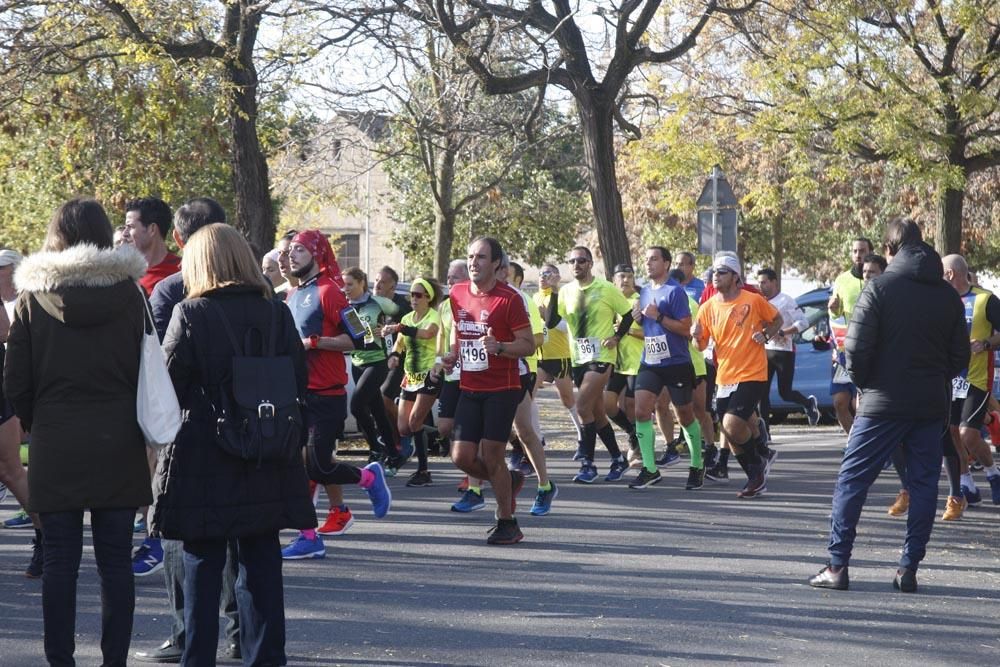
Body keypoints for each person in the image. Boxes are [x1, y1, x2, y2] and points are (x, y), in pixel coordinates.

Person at [150, 223, 314, 665]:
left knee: (202, 562)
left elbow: (168, 388)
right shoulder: (276, 312)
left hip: (205, 453)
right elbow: (299, 379)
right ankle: (265, 658)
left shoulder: (191, 313)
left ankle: (198, 658)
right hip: (267, 448)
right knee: (261, 561)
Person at [4, 198, 151, 666]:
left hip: (55, 437)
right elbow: (144, 365)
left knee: (60, 562)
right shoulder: (130, 294)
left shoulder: (32, 298)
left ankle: (60, 660)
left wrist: (35, 420)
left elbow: (17, 380)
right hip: (118, 438)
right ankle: (114, 661)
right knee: (115, 562)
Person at [809, 219, 968, 593]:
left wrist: (868, 385)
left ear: (891, 249)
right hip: (930, 404)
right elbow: (959, 355)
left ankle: (837, 566)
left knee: (853, 479)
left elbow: (856, 352)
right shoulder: (947, 294)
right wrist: (934, 378)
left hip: (882, 403)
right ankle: (908, 568)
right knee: (925, 483)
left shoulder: (878, 288)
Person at [135, 197, 241, 664]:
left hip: (187, 432)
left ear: (178, 239)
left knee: (181, 537)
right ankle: (242, 633)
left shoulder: (171, 291)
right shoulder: (259, 292)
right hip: (244, 431)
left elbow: (158, 370)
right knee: (240, 533)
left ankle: (184, 636)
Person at [281, 230, 390, 559]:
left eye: (300, 250)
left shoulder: (330, 292)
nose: (292, 255)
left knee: (318, 467)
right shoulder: (292, 294)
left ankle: (369, 476)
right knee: (296, 467)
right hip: (297, 395)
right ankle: (309, 536)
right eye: (291, 250)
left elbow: (364, 338)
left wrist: (315, 343)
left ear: (317, 253)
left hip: (326, 395)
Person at [442, 237, 535, 544]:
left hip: (502, 387)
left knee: (493, 456)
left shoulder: (509, 299)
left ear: (496, 263)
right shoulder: (456, 294)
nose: (473, 262)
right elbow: (461, 331)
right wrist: (454, 355)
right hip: (470, 385)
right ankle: (507, 481)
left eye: (481, 257)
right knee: (461, 456)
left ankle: (507, 521)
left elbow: (528, 344)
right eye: (470, 256)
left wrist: (500, 347)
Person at [693, 254, 782, 499]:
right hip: (725, 375)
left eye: (722, 272)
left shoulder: (752, 300)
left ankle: (757, 466)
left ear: (735, 277)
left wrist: (766, 335)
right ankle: (756, 473)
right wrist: (695, 335)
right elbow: (700, 346)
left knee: (731, 425)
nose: (716, 275)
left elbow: (777, 319)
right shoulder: (707, 307)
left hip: (752, 372)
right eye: (714, 272)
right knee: (729, 431)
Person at [557, 246, 635, 483]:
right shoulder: (565, 292)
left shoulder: (606, 288)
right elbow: (558, 321)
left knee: (582, 407)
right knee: (597, 413)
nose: (576, 265)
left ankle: (588, 464)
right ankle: (618, 459)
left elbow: (628, 314)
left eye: (581, 260)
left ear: (590, 263)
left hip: (601, 357)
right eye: (571, 261)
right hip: (579, 358)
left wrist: (616, 337)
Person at [629, 247, 703, 490]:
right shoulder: (645, 291)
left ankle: (697, 464)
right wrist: (640, 318)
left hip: (677, 362)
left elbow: (685, 329)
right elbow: (647, 328)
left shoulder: (676, 292)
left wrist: (659, 317)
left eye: (654, 259)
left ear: (667, 264)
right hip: (650, 361)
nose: (648, 263)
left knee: (684, 415)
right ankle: (650, 469)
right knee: (640, 411)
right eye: (646, 259)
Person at [941, 254, 1000, 511]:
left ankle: (993, 474)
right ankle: (967, 485)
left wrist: (986, 343)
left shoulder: (985, 299)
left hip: (977, 378)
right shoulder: (942, 301)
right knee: (951, 431)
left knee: (967, 433)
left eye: (941, 272)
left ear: (951, 274)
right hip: (950, 378)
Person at [382, 276, 443, 487]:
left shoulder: (434, 317)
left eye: (418, 295)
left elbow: (427, 334)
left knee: (415, 421)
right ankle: (439, 434)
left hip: (430, 373)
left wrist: (399, 328)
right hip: (411, 375)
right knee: (404, 427)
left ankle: (423, 471)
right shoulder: (407, 318)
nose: (413, 299)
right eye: (411, 295)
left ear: (428, 297)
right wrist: (394, 356)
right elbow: (399, 344)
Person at [341, 267, 400, 470]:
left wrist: (389, 328)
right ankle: (393, 453)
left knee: (357, 406)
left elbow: (406, 314)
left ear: (361, 283)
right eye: (344, 284)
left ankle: (375, 447)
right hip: (358, 363)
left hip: (377, 362)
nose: (345, 288)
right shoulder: (344, 306)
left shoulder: (378, 302)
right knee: (378, 411)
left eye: (350, 284)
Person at [755, 268, 820, 426]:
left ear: (774, 282)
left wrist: (784, 332)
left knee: (785, 392)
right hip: (765, 351)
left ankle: (808, 403)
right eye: (759, 283)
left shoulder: (786, 300)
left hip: (784, 351)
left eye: (764, 282)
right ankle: (766, 433)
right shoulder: (758, 301)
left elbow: (803, 322)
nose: (761, 286)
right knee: (762, 393)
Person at [533, 263, 583, 451]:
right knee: (528, 396)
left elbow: (567, 326)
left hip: (560, 355)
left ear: (557, 277)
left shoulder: (563, 296)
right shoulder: (535, 297)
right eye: (541, 273)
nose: (543, 277)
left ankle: (582, 435)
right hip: (539, 356)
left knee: (567, 399)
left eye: (548, 274)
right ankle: (538, 437)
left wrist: (547, 315)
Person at [827, 238, 874, 434]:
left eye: (862, 251)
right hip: (844, 351)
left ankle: (868, 442)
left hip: (869, 350)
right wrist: (833, 308)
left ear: (870, 252)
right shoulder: (841, 280)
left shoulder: (879, 278)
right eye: (854, 251)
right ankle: (854, 439)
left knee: (860, 405)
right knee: (840, 402)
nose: (858, 255)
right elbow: (835, 314)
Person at [123, 197, 180, 296]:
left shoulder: (184, 271)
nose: (124, 233)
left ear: (152, 229)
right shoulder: (123, 275)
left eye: (130, 227)